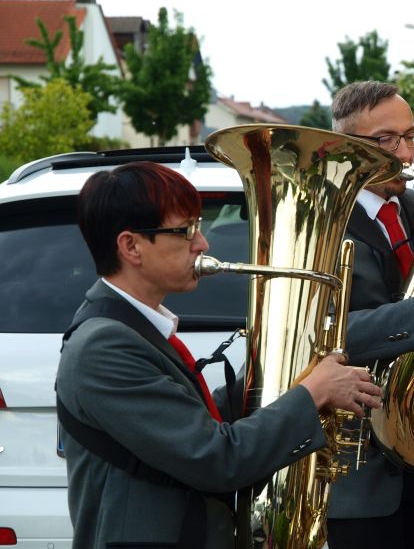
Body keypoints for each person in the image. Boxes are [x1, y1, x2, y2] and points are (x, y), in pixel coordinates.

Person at [55, 161, 382, 549]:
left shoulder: (133, 328)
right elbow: (216, 459)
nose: (202, 244)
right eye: (186, 231)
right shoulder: (104, 345)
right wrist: (314, 392)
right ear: (131, 246)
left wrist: (287, 368)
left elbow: (194, 422)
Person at [325, 81, 414, 549]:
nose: (405, 154)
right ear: (347, 146)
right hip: (360, 468)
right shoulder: (323, 219)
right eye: (386, 140)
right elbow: (320, 335)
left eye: (409, 137)